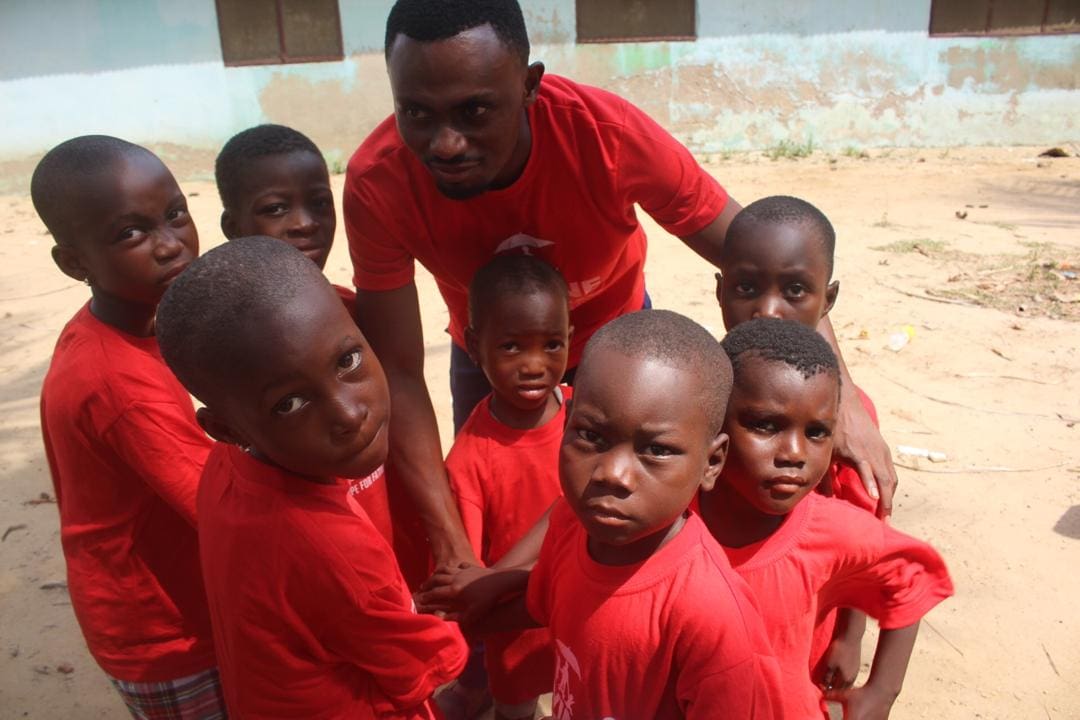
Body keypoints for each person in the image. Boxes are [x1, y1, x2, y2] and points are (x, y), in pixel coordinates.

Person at [344, 0, 897, 575]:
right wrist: (452, 548)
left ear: (530, 86)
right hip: (492, 360)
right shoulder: (378, 183)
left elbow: (768, 266)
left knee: (631, 528)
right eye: (416, 113)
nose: (445, 144)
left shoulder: (607, 136)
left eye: (475, 110)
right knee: (497, 519)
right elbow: (400, 372)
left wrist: (846, 398)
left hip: (624, 356)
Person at [155, 236, 468, 718]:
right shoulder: (329, 547)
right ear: (225, 428)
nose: (348, 413)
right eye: (290, 404)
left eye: (348, 361)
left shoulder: (230, 467)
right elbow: (429, 666)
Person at [432, 310, 783, 719]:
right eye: (591, 436)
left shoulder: (713, 617)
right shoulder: (573, 524)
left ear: (712, 463)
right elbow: (552, 599)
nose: (611, 474)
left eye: (657, 450)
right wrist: (489, 597)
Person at [32, 136, 224, 718]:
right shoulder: (116, 380)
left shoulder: (138, 321)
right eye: (130, 234)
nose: (171, 245)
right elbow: (215, 502)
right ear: (75, 263)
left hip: (184, 597)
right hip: (167, 631)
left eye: (174, 214)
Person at [700, 318, 954, 719]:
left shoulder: (830, 529)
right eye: (765, 425)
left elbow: (913, 580)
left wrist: (881, 691)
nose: (794, 453)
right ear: (713, 422)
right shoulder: (674, 514)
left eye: (817, 432)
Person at [214, 123, 405, 572]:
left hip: (385, 536)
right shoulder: (226, 344)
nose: (305, 223)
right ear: (233, 226)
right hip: (321, 556)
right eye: (277, 208)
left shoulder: (353, 315)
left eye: (319, 203)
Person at [442, 255, 572, 720]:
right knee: (513, 709)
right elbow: (468, 574)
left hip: (585, 613)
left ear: (571, 339)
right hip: (515, 630)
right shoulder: (469, 458)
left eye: (552, 344)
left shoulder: (586, 418)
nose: (535, 365)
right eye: (513, 347)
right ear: (475, 346)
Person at [715, 195, 880, 515]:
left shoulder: (846, 418)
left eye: (795, 291)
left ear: (828, 300)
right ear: (721, 292)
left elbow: (857, 533)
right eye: (746, 289)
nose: (768, 311)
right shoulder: (691, 392)